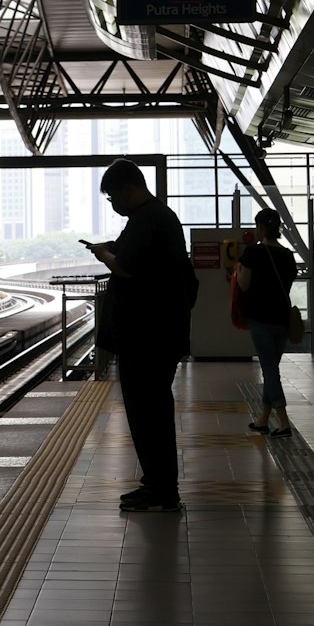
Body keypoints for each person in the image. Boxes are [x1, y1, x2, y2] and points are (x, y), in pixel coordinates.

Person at [82, 158, 197, 513]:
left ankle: (161, 490)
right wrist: (112, 247)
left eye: (113, 196)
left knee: (148, 413)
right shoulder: (152, 218)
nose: (113, 204)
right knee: (150, 413)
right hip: (153, 336)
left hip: (147, 338)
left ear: (128, 188)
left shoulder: (150, 219)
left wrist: (105, 255)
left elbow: (129, 268)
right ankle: (156, 484)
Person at [238, 208, 297, 437]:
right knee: (271, 368)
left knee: (270, 371)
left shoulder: (253, 252)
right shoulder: (288, 255)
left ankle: (283, 422)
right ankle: (263, 419)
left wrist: (240, 268)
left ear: (260, 227)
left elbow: (243, 285)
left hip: (261, 319)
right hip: (282, 320)